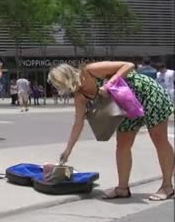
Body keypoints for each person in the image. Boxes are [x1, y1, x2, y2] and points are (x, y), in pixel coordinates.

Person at [50, 62, 174, 201]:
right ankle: (122, 188)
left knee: (159, 139)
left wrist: (109, 85)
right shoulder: (80, 96)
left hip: (147, 94)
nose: (58, 88)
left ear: (65, 78)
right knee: (122, 145)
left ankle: (167, 186)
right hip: (124, 107)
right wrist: (68, 150)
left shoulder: (90, 71)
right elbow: (78, 123)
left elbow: (129, 65)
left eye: (58, 84)